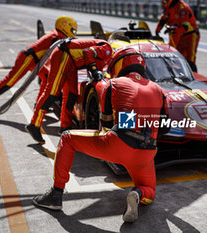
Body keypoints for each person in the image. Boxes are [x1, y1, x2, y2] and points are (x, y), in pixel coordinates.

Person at [32, 48, 168, 223]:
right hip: (147, 153)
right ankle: (137, 194)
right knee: (149, 190)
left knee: (67, 137)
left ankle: (55, 194)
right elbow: (164, 128)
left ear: (119, 65)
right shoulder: (158, 89)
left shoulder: (114, 84)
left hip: (119, 144)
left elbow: (106, 124)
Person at [0, 16, 77, 115]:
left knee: (47, 77)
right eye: (72, 29)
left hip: (34, 60)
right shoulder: (57, 36)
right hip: (28, 58)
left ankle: (39, 104)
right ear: (64, 26)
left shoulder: (57, 35)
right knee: (9, 82)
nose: (73, 32)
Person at [25, 39, 112, 143]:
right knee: (52, 93)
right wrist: (94, 70)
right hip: (63, 55)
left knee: (72, 94)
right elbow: (87, 52)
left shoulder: (107, 57)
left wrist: (94, 71)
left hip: (73, 63)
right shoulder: (107, 49)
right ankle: (34, 124)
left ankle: (65, 127)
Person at [155, 0, 200, 72]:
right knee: (177, 57)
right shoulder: (169, 6)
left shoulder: (183, 8)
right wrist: (157, 30)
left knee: (190, 59)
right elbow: (163, 19)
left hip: (190, 35)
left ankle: (194, 76)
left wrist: (174, 29)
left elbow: (185, 27)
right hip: (178, 34)